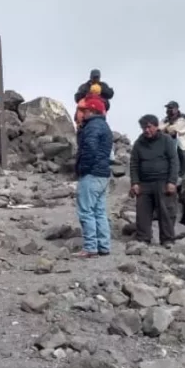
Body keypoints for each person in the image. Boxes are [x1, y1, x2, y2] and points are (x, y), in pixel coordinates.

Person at [129, 114, 179, 246]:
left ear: (156, 126)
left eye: (149, 127)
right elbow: (134, 163)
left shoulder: (166, 140)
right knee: (142, 213)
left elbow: (174, 161)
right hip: (144, 183)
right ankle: (143, 239)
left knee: (166, 211)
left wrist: (172, 181)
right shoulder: (139, 143)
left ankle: (167, 239)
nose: (146, 130)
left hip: (163, 181)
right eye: (143, 127)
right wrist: (135, 182)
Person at [74, 95, 113, 258]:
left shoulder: (91, 127)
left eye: (85, 110)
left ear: (92, 110)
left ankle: (90, 247)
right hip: (103, 174)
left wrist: (83, 168)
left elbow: (89, 148)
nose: (83, 113)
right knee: (99, 211)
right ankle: (104, 246)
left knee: (86, 211)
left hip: (91, 173)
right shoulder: (104, 126)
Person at [161, 101, 185, 180]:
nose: (168, 110)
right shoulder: (165, 119)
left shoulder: (182, 119)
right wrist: (167, 127)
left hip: (182, 147)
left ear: (176, 109)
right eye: (167, 108)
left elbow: (174, 129)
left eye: (170, 108)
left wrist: (166, 128)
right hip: (168, 146)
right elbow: (159, 129)